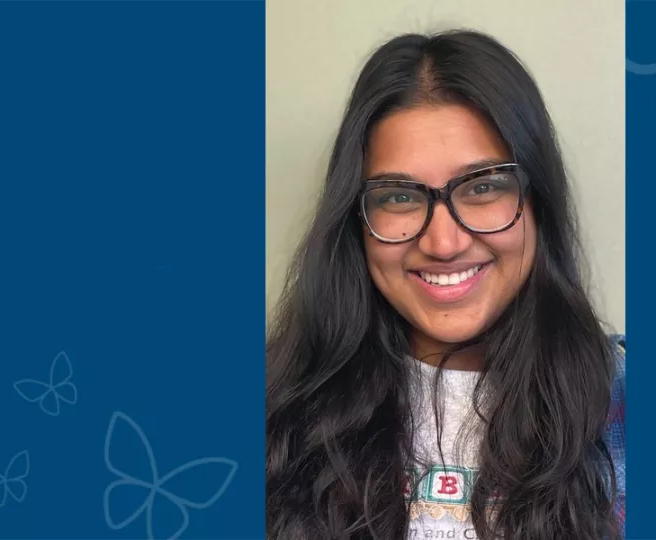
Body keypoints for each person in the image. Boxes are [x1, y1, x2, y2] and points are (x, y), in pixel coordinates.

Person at [266, 29, 626, 540]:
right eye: (397, 196)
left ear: (537, 201)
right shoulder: (274, 414)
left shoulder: (631, 402)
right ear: (355, 220)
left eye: (483, 187)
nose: (443, 242)